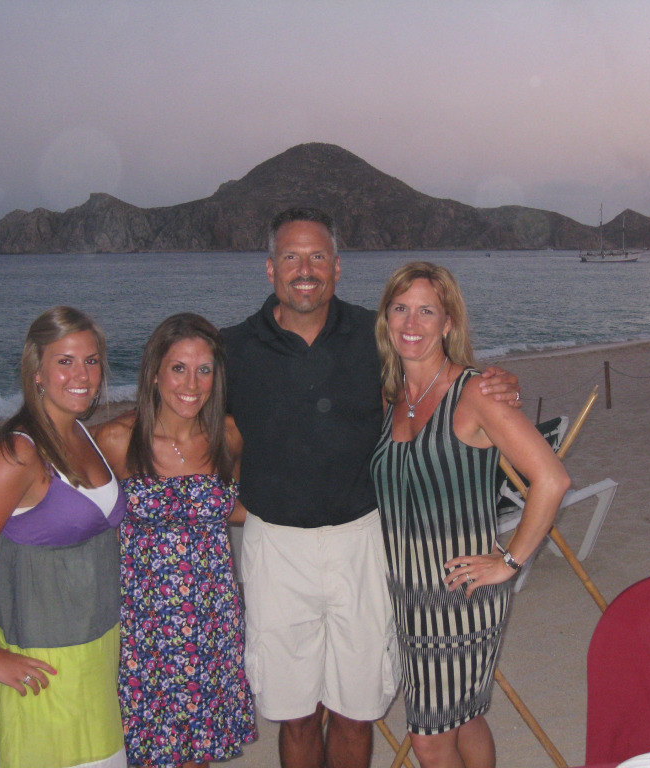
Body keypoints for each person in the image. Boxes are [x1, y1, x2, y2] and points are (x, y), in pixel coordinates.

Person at [221, 207, 520, 768]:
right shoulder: (233, 348)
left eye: (316, 257)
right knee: (296, 713)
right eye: (291, 256)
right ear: (269, 269)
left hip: (363, 540)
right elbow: (188, 420)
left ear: (337, 267)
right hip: (275, 549)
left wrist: (497, 382)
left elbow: (434, 377)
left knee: (357, 709)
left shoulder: (374, 336)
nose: (304, 269)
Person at [370, 262, 570, 767]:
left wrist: (509, 559)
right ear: (386, 318)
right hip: (407, 595)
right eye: (400, 309)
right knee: (462, 715)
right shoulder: (389, 398)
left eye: (426, 311)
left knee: (429, 738)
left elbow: (552, 479)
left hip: (462, 593)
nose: (411, 323)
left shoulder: (476, 391)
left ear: (448, 323)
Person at [0, 307, 127, 768]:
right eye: (65, 361)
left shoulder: (83, 432)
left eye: (91, 360)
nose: (81, 374)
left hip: (99, 645)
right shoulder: (20, 452)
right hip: (45, 655)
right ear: (37, 371)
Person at [94, 313, 257, 768]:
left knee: (196, 754)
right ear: (155, 372)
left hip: (212, 619)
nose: (192, 382)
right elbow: (79, 524)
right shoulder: (116, 440)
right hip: (146, 628)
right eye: (179, 368)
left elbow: (238, 507)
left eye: (204, 369)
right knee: (147, 753)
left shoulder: (227, 435)